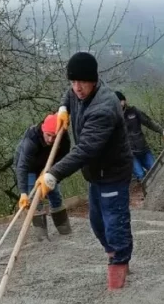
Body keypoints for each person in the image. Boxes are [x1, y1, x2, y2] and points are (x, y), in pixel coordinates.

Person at [35, 52, 135, 290]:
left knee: (114, 221)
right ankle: (114, 253)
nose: (77, 88)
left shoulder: (105, 107)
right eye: (73, 82)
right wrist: (62, 108)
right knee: (97, 222)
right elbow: (69, 96)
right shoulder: (76, 92)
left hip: (112, 172)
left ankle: (119, 265)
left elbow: (85, 150)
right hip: (95, 173)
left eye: (82, 82)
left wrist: (53, 174)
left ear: (94, 80)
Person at [13, 114, 72, 240]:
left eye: (54, 136)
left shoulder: (64, 139)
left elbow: (64, 160)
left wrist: (51, 173)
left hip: (48, 167)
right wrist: (23, 193)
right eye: (48, 135)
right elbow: (22, 167)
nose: (51, 139)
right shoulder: (32, 139)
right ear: (43, 130)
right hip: (29, 169)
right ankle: (42, 235)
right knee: (34, 199)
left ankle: (64, 229)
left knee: (54, 193)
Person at [116, 91, 164, 181]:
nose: (119, 104)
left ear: (124, 100)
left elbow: (149, 122)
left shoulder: (134, 111)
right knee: (141, 175)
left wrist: (163, 131)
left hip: (143, 149)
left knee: (157, 171)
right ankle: (149, 194)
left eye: (120, 101)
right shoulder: (112, 117)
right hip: (129, 154)